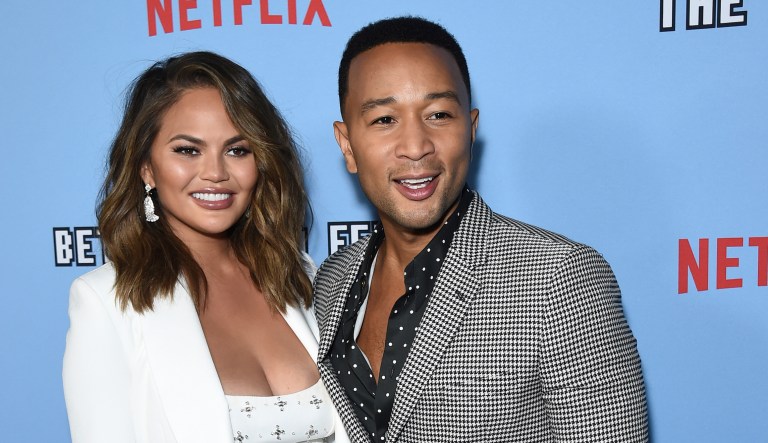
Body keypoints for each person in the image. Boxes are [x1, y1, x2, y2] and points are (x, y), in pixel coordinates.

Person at [312, 17, 648, 442]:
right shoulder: (331, 278)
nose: (415, 147)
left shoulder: (559, 278)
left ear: (470, 130)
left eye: (438, 114)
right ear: (347, 145)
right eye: (384, 119)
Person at [63, 51, 348, 443]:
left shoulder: (298, 273)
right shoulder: (106, 302)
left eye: (237, 150)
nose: (215, 173)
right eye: (188, 150)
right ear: (147, 167)